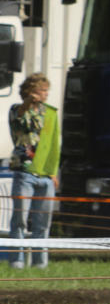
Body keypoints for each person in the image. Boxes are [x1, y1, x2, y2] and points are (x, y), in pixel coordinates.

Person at [8, 73, 60, 268]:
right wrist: (28, 102)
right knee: (20, 219)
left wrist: (53, 171)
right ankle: (17, 261)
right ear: (31, 91)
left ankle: (40, 263)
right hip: (24, 172)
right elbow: (19, 117)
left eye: (47, 91)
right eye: (42, 90)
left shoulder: (49, 113)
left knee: (43, 222)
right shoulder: (17, 109)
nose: (46, 94)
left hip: (45, 174)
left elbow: (53, 143)